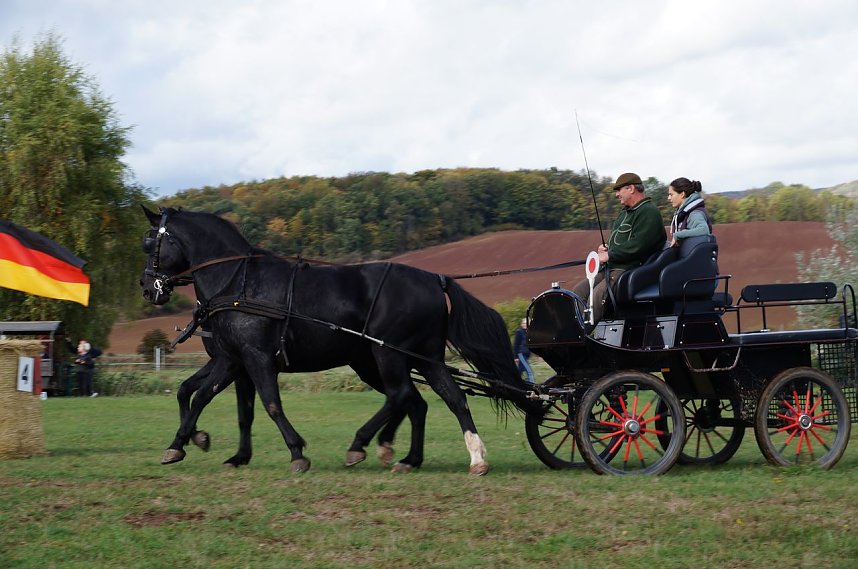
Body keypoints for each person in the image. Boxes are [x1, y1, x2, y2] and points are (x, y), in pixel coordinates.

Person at [572, 172, 667, 325]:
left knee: (596, 296)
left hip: (630, 269)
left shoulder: (649, 212)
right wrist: (606, 248)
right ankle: (570, 330)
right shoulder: (625, 213)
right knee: (578, 291)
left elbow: (639, 245)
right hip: (611, 267)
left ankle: (582, 335)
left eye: (619, 190)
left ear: (631, 189)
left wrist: (610, 254)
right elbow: (619, 240)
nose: (617, 195)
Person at [667, 178, 712, 247]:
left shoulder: (695, 213)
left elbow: (704, 230)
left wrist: (677, 235)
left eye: (671, 194)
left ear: (682, 194)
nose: (669, 198)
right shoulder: (684, 213)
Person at [513, 318, 535, 383]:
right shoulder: (519, 332)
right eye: (524, 323)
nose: (525, 325)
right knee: (529, 371)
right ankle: (532, 384)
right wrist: (515, 357)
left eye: (526, 323)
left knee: (520, 370)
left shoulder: (530, 332)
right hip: (521, 354)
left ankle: (515, 382)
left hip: (527, 355)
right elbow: (516, 345)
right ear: (521, 324)